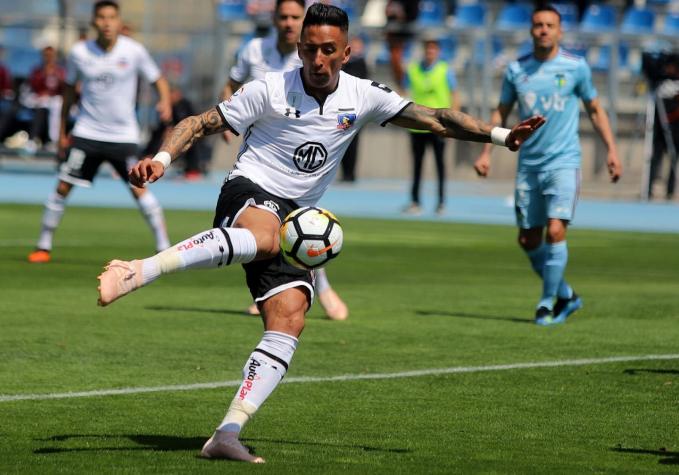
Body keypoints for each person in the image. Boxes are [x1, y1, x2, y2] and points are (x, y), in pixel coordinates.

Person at [96, 3, 543, 463]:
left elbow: (437, 119)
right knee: (266, 236)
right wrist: (162, 160)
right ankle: (139, 270)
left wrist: (501, 135)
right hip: (250, 189)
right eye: (310, 50)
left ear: (347, 52)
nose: (318, 60)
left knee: (289, 318)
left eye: (329, 50)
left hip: (297, 215)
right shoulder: (268, 89)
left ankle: (227, 433)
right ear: (299, 49)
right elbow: (196, 124)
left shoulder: (363, 94)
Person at [473, 5, 622, 326]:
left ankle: (546, 302)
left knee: (556, 230)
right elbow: (501, 112)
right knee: (528, 239)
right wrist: (487, 151)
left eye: (549, 25)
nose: (543, 30)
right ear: (530, 30)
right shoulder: (517, 70)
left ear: (559, 30)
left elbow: (595, 109)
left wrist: (611, 149)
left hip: (564, 162)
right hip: (528, 165)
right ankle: (568, 295)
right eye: (538, 24)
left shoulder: (575, 68)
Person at [222, 0, 349, 321]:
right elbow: (233, 83)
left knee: (304, 226)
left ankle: (319, 288)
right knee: (272, 228)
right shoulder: (253, 50)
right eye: (284, 16)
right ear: (274, 19)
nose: (289, 22)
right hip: (264, 153)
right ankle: (272, 291)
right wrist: (228, 117)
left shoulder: (310, 53)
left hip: (305, 150)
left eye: (295, 17)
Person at [27, 0, 172, 264]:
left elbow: (158, 78)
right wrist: (62, 132)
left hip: (123, 136)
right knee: (62, 186)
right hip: (87, 133)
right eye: (102, 18)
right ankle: (43, 246)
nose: (107, 23)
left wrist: (164, 101)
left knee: (140, 190)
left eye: (111, 17)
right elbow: (69, 92)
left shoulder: (134, 51)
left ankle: (164, 247)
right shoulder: (80, 52)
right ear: (94, 22)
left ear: (119, 22)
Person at [402, 37, 460, 215]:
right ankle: (415, 201)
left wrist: (453, 121)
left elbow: (454, 94)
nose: (430, 53)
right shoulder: (413, 70)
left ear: (438, 52)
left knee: (440, 165)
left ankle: (441, 202)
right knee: (417, 166)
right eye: (428, 49)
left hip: (438, 125)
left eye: (433, 50)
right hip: (417, 125)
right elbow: (404, 92)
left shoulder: (445, 70)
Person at [21, 46, 66, 152]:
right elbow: (32, 87)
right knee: (41, 107)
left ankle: (54, 140)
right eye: (46, 55)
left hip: (54, 100)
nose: (49, 58)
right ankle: (32, 139)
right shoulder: (37, 71)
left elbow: (64, 89)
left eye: (51, 55)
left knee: (57, 105)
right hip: (39, 100)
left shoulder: (60, 71)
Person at [339, 35, 369, 182]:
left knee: (353, 141)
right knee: (342, 138)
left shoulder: (361, 63)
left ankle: (350, 173)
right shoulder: (344, 63)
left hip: (354, 109)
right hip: (343, 109)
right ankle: (345, 172)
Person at [648, 62, 679, 201]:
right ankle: (648, 189)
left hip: (676, 129)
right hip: (659, 129)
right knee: (655, 158)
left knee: (673, 158)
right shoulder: (659, 84)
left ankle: (670, 190)